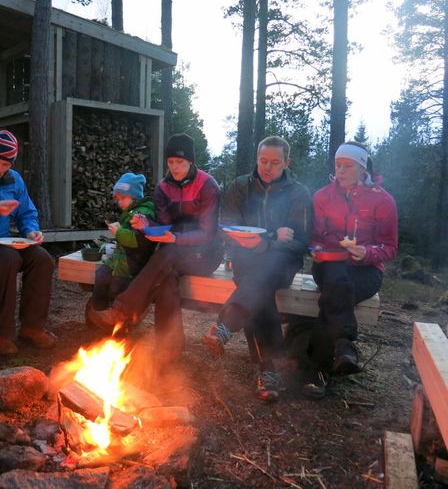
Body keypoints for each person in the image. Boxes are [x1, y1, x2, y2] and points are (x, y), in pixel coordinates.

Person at [89, 133, 223, 369]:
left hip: (205, 253)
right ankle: (168, 352)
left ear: (191, 161)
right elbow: (162, 223)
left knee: (169, 254)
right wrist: (145, 225)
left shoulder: (207, 185)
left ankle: (123, 309)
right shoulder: (163, 187)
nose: (175, 167)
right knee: (166, 281)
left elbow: (208, 232)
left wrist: (176, 238)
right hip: (172, 252)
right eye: (171, 162)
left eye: (180, 162)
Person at [202, 136, 311, 402]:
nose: (267, 167)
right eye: (263, 161)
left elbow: (301, 242)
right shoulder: (241, 186)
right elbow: (227, 227)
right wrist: (267, 240)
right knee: (260, 293)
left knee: (261, 277)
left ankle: (226, 323)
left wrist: (269, 243)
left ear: (287, 162)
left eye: (275, 162)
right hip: (245, 259)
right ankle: (270, 370)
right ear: (257, 159)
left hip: (283, 264)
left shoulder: (299, 194)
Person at [289, 141, 398, 399]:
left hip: (367, 271)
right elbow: (313, 237)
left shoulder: (382, 200)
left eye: (347, 166)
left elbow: (390, 247)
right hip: (327, 265)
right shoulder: (323, 196)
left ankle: (318, 371)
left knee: (334, 294)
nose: (341, 170)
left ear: (362, 167)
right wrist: (316, 248)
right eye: (338, 165)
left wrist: (368, 252)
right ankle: (344, 346)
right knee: (337, 279)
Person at [0, 129, 56, 355]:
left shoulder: (14, 180)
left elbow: (26, 213)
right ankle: (2, 334)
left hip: (5, 243)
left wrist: (32, 231)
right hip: (4, 253)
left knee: (42, 259)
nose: (1, 169)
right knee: (8, 260)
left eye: (5, 165)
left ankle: (32, 327)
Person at [85, 173, 156, 321]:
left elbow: (134, 240)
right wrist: (120, 230)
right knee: (101, 276)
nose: (120, 203)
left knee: (116, 289)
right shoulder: (130, 212)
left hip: (131, 264)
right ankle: (97, 315)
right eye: (118, 199)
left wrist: (118, 232)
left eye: (123, 198)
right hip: (119, 260)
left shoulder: (142, 214)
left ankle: (119, 325)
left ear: (135, 196)